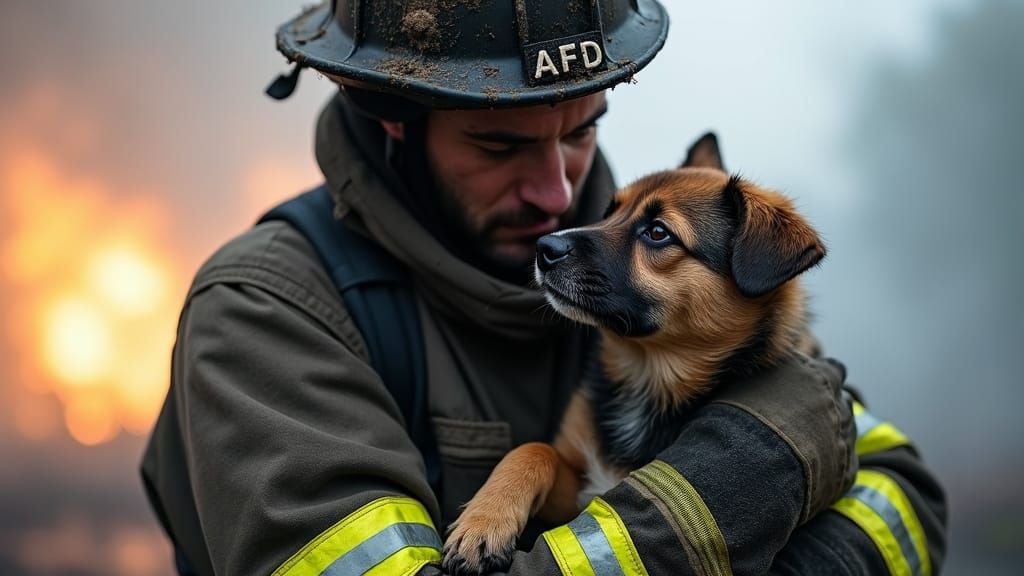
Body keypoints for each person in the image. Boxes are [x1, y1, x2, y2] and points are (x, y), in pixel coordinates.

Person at [141, 1, 947, 575]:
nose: (560, 197)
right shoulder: (266, 315)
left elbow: (905, 496)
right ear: (392, 120)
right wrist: (719, 501)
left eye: (581, 131)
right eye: (498, 145)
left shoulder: (678, 288)